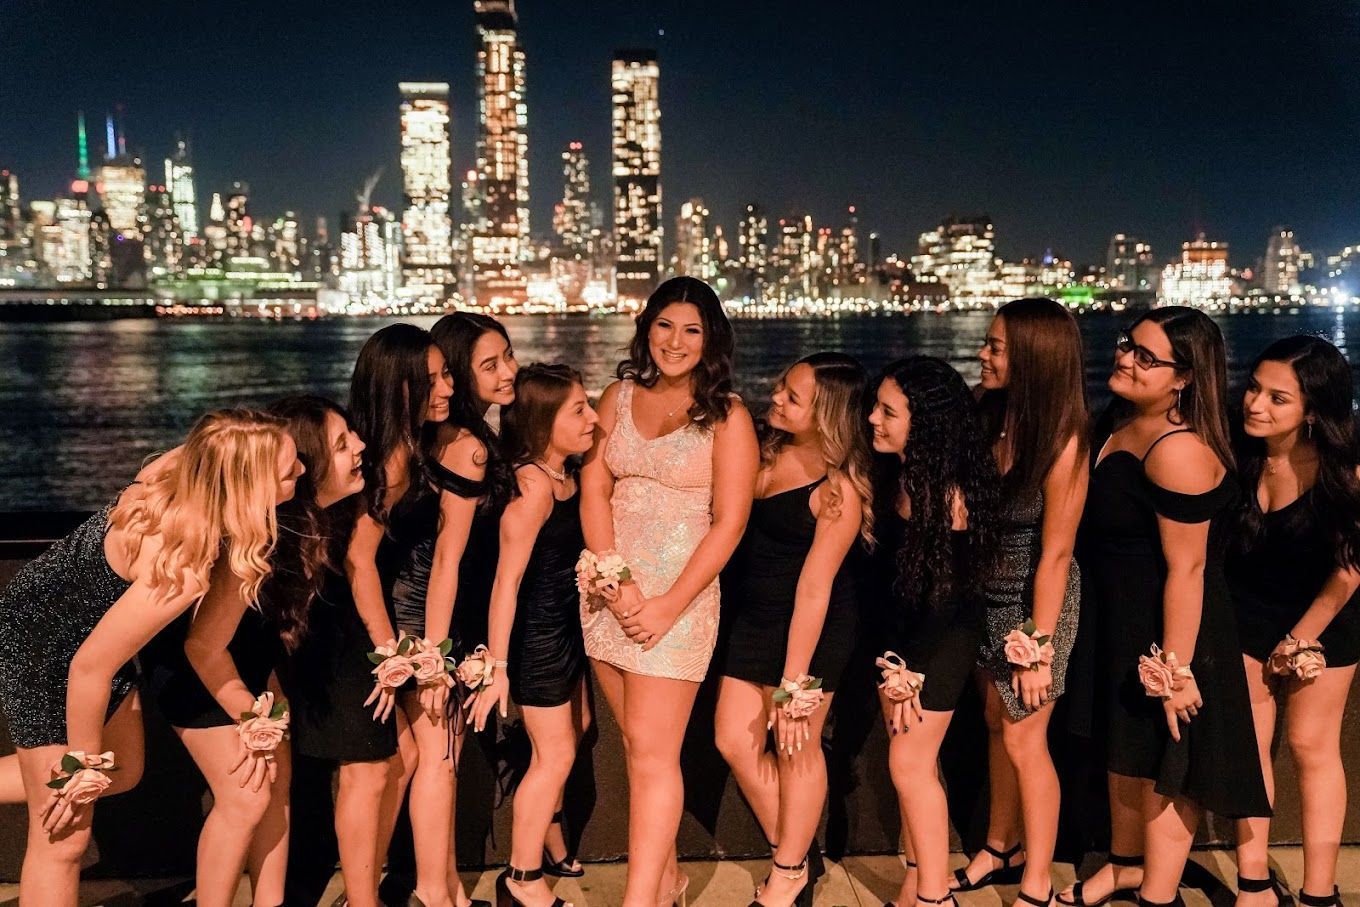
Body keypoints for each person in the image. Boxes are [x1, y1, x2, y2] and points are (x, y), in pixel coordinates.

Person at [0, 409, 298, 907]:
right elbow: (88, 667)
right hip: (44, 650)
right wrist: (78, 769)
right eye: (289, 470)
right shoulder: (181, 563)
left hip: (92, 651)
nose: (303, 473)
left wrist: (250, 715)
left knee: (127, 769)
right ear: (250, 484)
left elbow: (205, 646)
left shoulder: (218, 512)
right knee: (65, 835)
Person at [1066, 307, 1269, 907]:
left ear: (1184, 377)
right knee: (1124, 752)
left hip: (1168, 626)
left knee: (1166, 761)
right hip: (1120, 618)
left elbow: (1189, 568)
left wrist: (1174, 670)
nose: (1125, 358)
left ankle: (1159, 894)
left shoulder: (1176, 448)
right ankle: (1126, 867)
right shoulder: (1121, 421)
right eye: (1129, 345)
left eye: (1146, 357)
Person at [140, 395, 367, 907]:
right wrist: (250, 715)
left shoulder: (303, 519)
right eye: (340, 443)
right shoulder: (258, 539)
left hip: (248, 665)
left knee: (275, 789)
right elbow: (202, 644)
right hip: (198, 670)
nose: (359, 447)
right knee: (246, 796)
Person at [579, 276, 759, 907]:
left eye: (691, 329)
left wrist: (666, 604)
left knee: (655, 755)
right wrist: (614, 578)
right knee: (636, 744)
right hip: (608, 596)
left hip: (678, 604)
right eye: (664, 325)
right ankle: (668, 880)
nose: (674, 342)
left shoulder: (728, 415)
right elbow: (595, 489)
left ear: (710, 339)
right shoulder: (615, 396)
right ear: (645, 327)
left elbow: (730, 522)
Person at [713, 352, 873, 907]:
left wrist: (795, 682)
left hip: (814, 628)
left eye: (792, 396)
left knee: (796, 747)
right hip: (754, 618)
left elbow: (815, 589)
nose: (776, 398)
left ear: (827, 414)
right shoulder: (766, 448)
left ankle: (784, 874)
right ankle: (798, 852)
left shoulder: (839, 490)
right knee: (732, 738)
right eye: (781, 387)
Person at [958, 299, 1088, 906]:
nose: (982, 355)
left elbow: (1056, 556)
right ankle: (999, 845)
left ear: (1034, 358)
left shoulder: (1062, 442)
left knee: (1024, 740)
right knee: (994, 723)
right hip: (987, 595)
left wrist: (1037, 645)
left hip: (1038, 601)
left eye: (995, 347)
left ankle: (1037, 876)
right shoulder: (990, 415)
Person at [863, 357, 1001, 907]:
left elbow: (950, 602)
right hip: (904, 639)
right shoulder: (902, 473)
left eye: (888, 411)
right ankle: (917, 877)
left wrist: (911, 674)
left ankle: (933, 897)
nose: (872, 418)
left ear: (925, 423)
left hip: (940, 642)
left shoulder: (950, 496)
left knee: (910, 765)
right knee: (914, 766)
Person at [1228, 336, 1360, 907]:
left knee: (1311, 745)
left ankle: (1318, 889)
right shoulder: (1241, 451)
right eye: (1254, 388)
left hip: (1325, 619)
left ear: (1314, 409)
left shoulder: (1345, 468)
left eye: (1278, 398)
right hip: (1248, 612)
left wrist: (1301, 637)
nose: (1255, 403)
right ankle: (1253, 880)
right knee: (1248, 745)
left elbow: (1350, 571)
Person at [467, 363, 599, 907]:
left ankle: (549, 838)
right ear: (544, 423)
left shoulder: (567, 473)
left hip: (567, 628)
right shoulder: (532, 486)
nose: (593, 418)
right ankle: (521, 881)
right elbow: (505, 583)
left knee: (580, 727)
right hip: (537, 640)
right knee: (555, 756)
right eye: (579, 410)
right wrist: (497, 667)